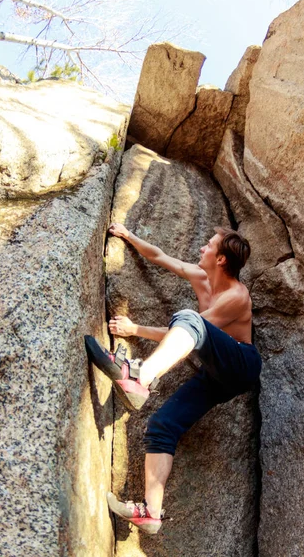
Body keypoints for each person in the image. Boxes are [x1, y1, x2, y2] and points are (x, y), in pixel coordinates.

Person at [85, 223, 261, 535]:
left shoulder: (236, 296)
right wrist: (127, 235)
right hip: (216, 376)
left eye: (209, 245)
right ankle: (151, 513)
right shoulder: (200, 276)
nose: (202, 248)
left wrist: (135, 329)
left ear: (221, 259)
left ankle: (140, 377)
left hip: (241, 364)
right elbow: (159, 256)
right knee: (162, 426)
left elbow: (189, 331)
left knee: (189, 319)